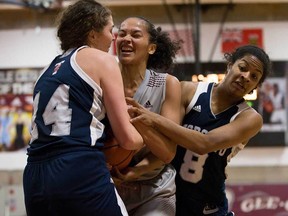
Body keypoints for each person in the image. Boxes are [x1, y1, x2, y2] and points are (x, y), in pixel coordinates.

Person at [22, 1, 143, 216]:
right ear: (92, 33)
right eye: (110, 29)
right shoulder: (103, 60)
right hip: (77, 166)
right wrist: (144, 136)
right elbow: (128, 139)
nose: (113, 36)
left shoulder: (45, 72)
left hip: (34, 175)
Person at [127, 44, 272, 215]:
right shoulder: (189, 91)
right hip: (168, 195)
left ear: (255, 86)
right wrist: (135, 171)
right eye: (242, 67)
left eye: (254, 76)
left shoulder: (249, 118)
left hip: (208, 205)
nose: (246, 76)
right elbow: (166, 147)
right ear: (229, 65)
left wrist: (154, 118)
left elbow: (204, 143)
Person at [112, 16, 182, 215]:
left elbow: (167, 152)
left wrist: (134, 172)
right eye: (122, 33)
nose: (126, 39)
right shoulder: (102, 80)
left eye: (135, 35)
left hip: (154, 187)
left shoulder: (167, 84)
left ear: (151, 48)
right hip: (109, 185)